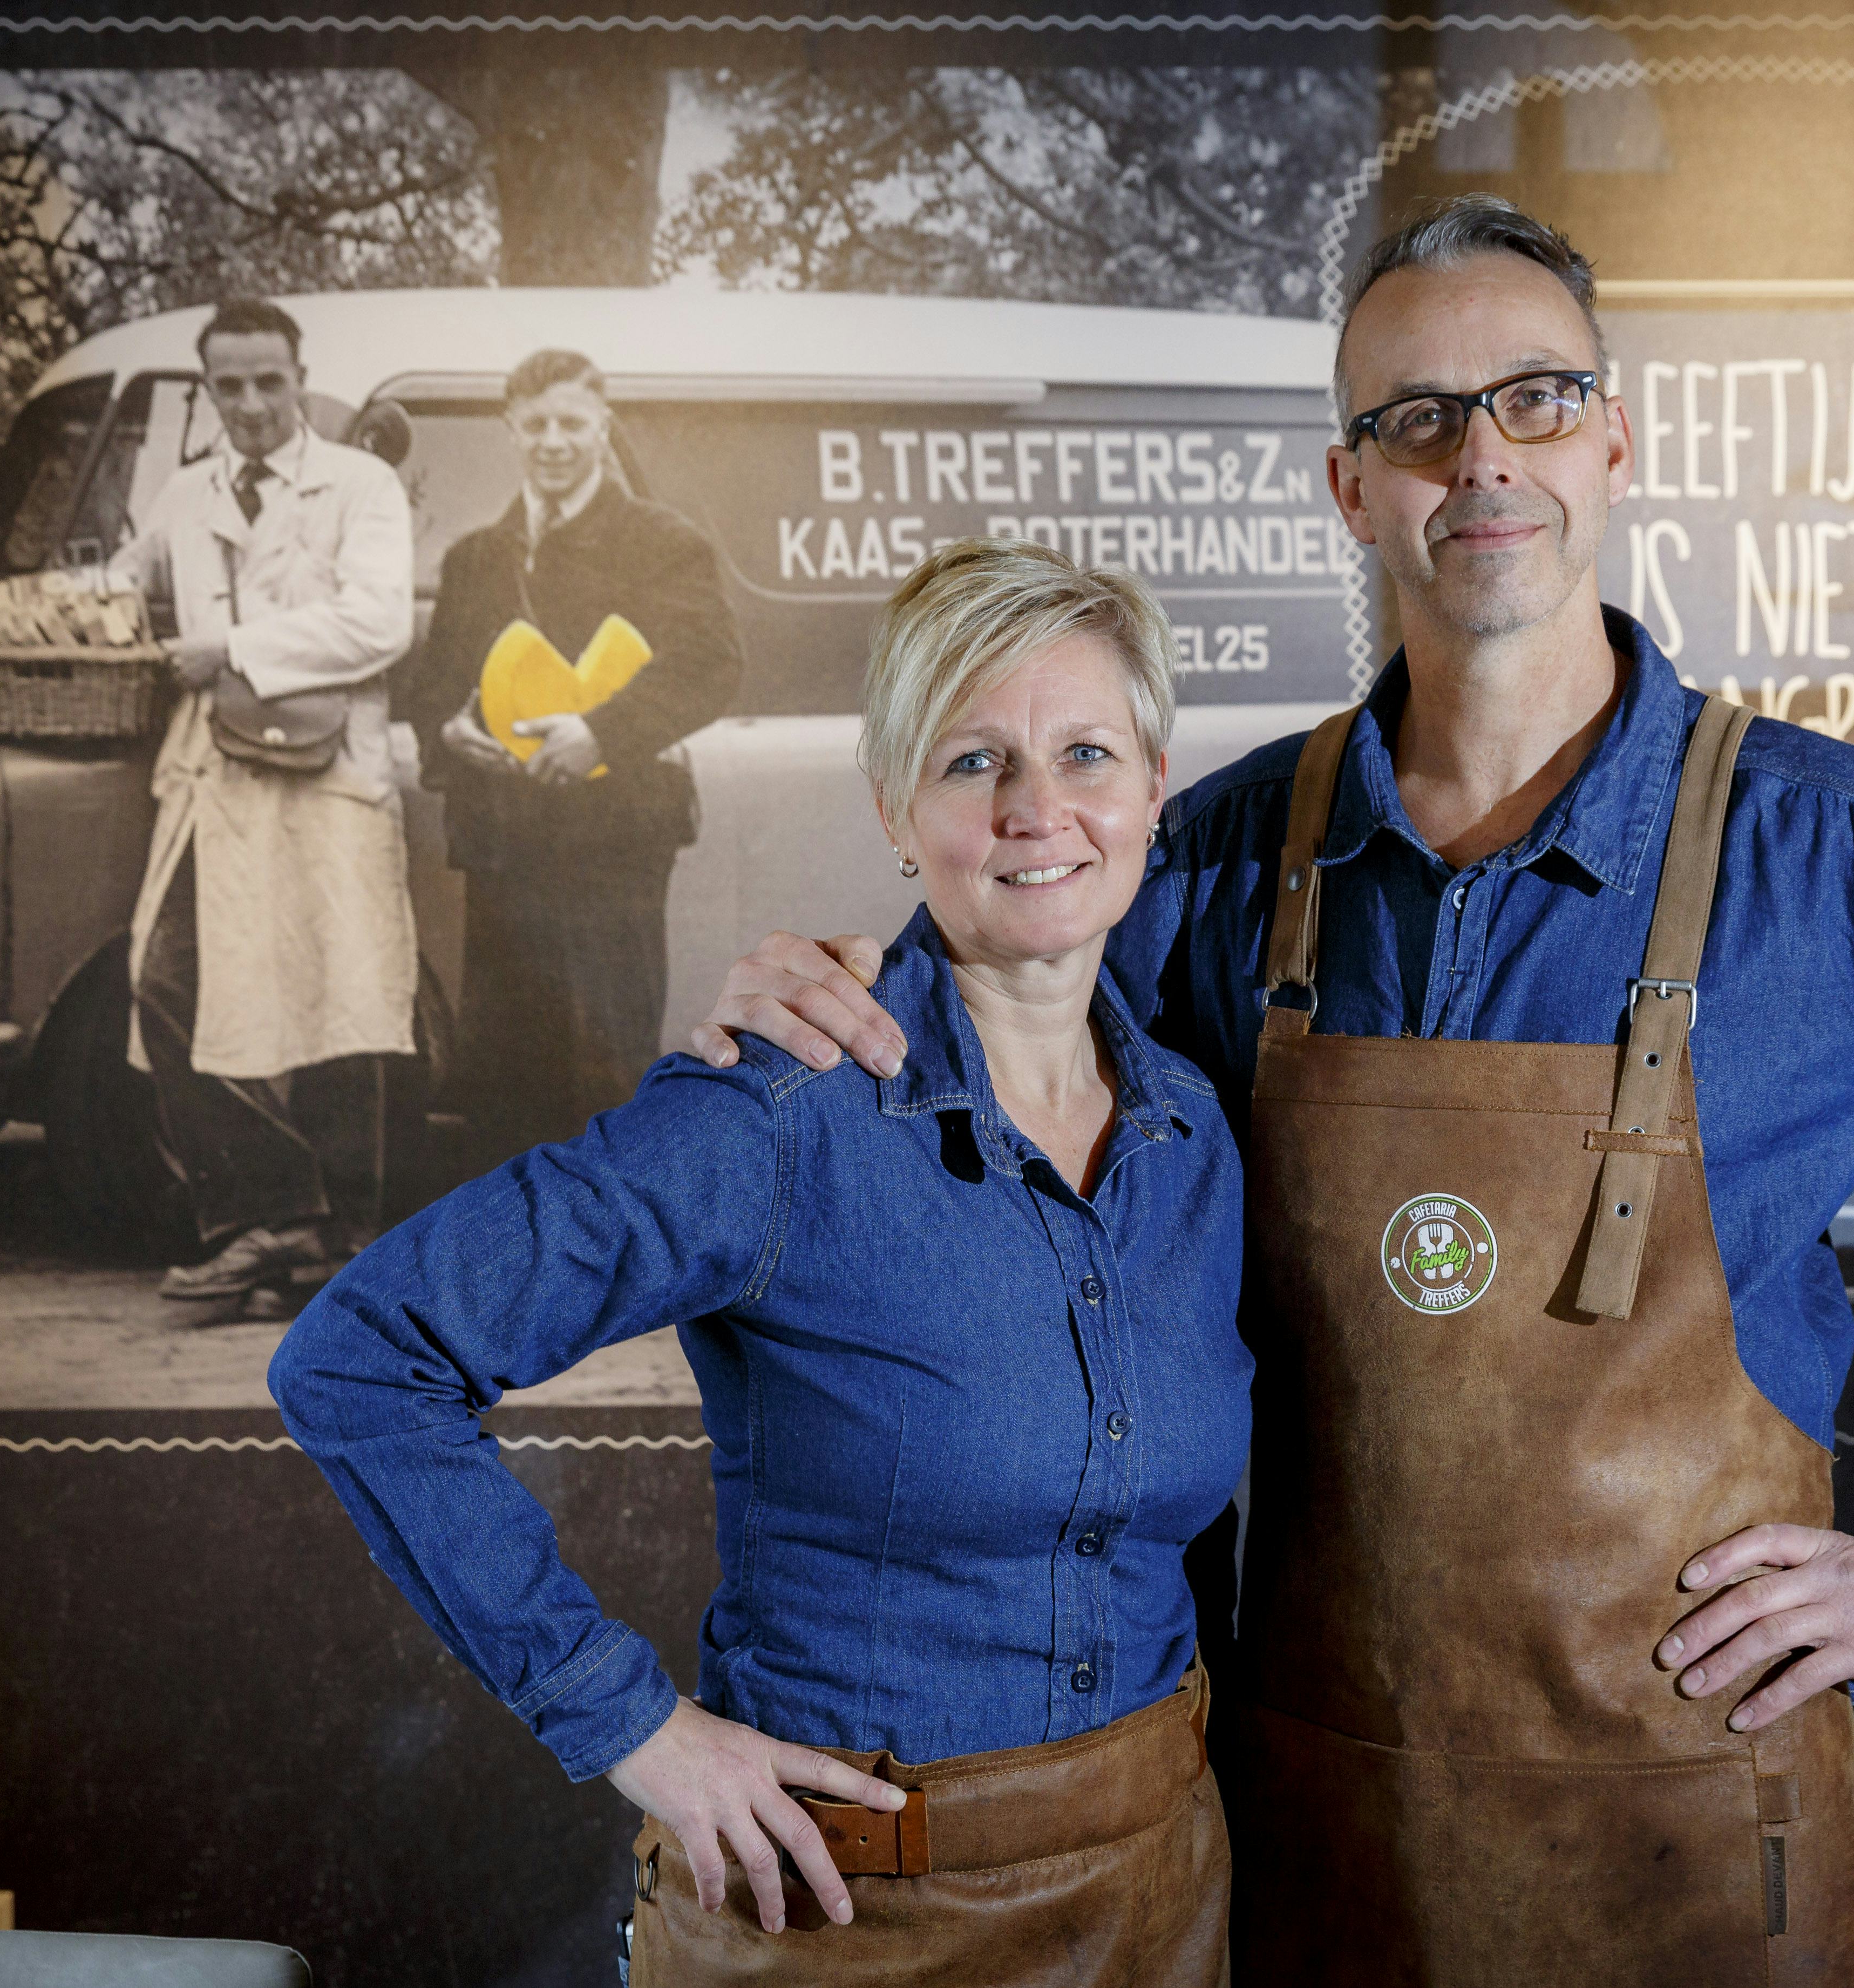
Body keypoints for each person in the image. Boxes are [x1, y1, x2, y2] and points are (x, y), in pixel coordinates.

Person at [686, 197, 1854, 1980]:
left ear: (1614, 443)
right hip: (1326, 1828)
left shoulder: (1836, 850)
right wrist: (822, 998)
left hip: (1706, 1839)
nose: (1480, 457)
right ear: (1351, 488)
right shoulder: (1218, 859)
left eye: (1535, 399)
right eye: (1416, 419)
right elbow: (960, 1076)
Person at [276, 540, 1247, 1984]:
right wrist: (625, 1724)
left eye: (1086, 752)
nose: (1037, 810)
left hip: (1165, 1899)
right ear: (896, 813)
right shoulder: (778, 1109)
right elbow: (361, 1354)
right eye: (973, 760)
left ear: (1152, 788)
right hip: (847, 1926)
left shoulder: (1197, 1134)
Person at [112, 297, 420, 1302]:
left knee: (339, 1002)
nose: (248, 404)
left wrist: (237, 651)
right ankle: (272, 1218)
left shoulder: (359, 485)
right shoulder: (185, 491)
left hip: (329, 780)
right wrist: (100, 603)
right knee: (164, 981)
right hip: (218, 778)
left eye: (267, 382)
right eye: (229, 385)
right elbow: (130, 577)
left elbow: (378, 624)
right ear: (210, 390)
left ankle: (341, 1242)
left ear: (299, 380)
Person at [399, 348, 744, 1165]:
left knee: (604, 1060)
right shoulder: (476, 556)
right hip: (502, 843)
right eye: (537, 425)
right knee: (504, 1069)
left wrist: (601, 735)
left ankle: (613, 1272)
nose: (555, 442)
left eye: (573, 423)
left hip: (613, 843)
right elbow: (436, 686)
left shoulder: (662, 541)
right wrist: (450, 731)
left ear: (603, 428)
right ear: (511, 430)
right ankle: (528, 1274)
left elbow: (711, 666)